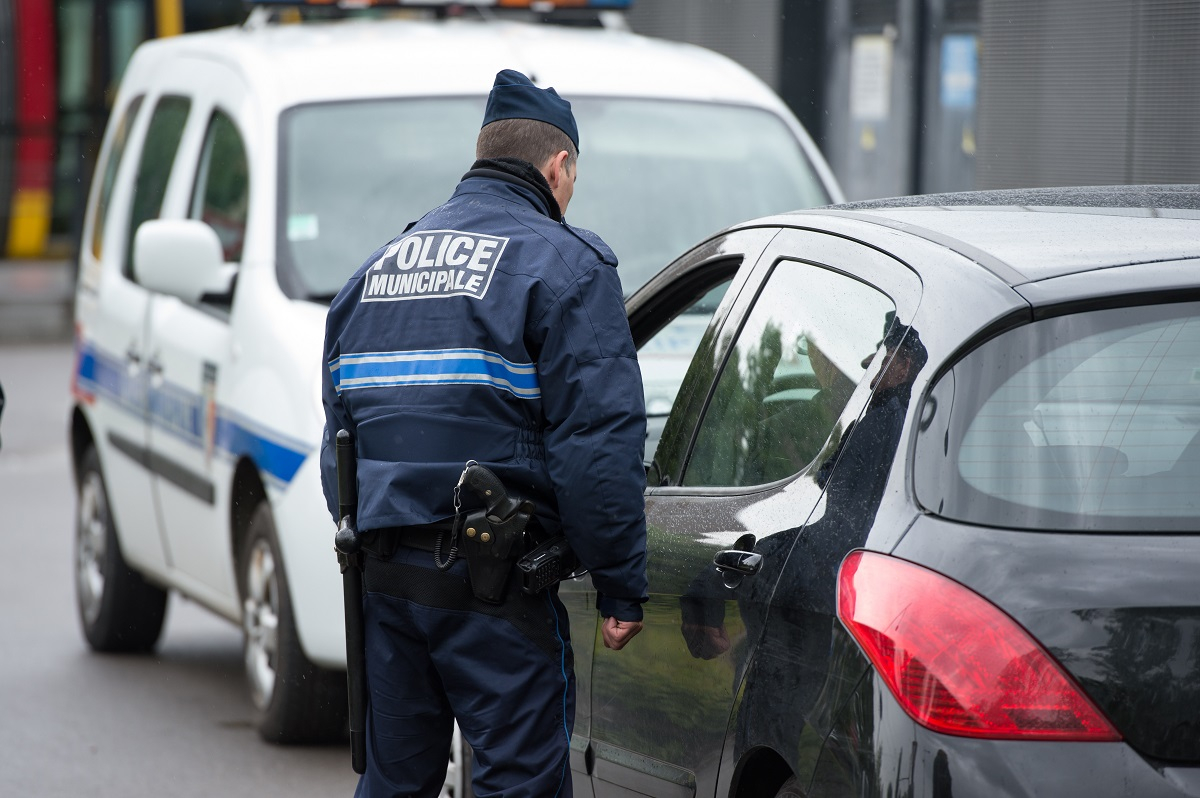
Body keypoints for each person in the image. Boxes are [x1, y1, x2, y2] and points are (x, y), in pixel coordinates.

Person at [320, 69, 648, 798]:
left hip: (385, 584)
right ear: (558, 167)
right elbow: (596, 443)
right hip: (494, 589)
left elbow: (339, 450)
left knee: (394, 783)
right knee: (518, 784)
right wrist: (622, 584)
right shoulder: (565, 264)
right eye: (573, 178)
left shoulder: (371, 274)